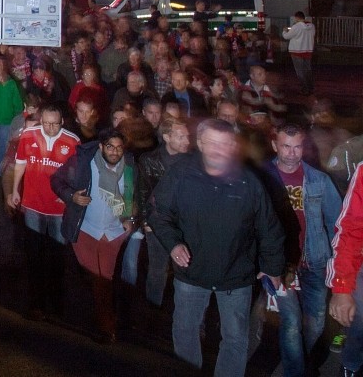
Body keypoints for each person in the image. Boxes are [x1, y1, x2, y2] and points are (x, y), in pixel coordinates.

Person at [150, 117, 286, 377]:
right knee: (185, 330)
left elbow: (270, 228)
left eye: (225, 144)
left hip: (236, 277)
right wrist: (173, 244)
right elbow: (158, 212)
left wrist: (273, 268)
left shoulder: (249, 182)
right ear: (200, 143)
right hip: (191, 273)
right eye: (212, 143)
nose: (218, 149)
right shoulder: (180, 174)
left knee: (235, 339)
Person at [254, 124, 340, 377]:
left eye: (297, 146)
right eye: (286, 146)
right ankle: (295, 371)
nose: (292, 153)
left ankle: (292, 357)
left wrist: (336, 262)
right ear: (274, 146)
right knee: (292, 323)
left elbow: (336, 223)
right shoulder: (261, 178)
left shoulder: (319, 180)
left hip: (314, 260)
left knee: (315, 323)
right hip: (279, 262)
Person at [51, 129, 137, 342]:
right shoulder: (83, 163)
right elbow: (57, 180)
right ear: (101, 147)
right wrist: (71, 196)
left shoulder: (130, 168)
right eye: (110, 147)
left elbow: (136, 196)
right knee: (95, 278)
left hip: (114, 232)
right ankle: (104, 319)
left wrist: (130, 219)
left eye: (118, 147)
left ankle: (105, 325)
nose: (115, 152)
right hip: (86, 229)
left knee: (104, 279)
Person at [7, 104, 79, 320]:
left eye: (54, 124)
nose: (50, 128)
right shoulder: (28, 136)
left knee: (57, 255)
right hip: (32, 205)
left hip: (58, 209)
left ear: (62, 122)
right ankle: (35, 302)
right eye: (46, 123)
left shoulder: (72, 141)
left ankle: (56, 302)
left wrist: (68, 194)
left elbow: (77, 174)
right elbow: (20, 164)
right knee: (34, 254)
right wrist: (14, 191)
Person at [138, 115, 194, 309]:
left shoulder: (194, 162)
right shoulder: (149, 160)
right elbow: (143, 192)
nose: (187, 140)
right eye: (181, 137)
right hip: (159, 223)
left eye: (187, 136)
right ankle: (153, 312)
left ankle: (185, 314)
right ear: (167, 137)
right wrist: (147, 222)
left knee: (186, 272)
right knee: (157, 270)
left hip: (185, 226)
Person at [284, 13, 316, 93]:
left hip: (296, 51)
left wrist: (284, 31)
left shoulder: (296, 27)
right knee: (307, 70)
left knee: (299, 71)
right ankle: (310, 87)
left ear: (297, 18)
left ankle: (305, 88)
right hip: (308, 50)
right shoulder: (312, 26)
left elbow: (287, 36)